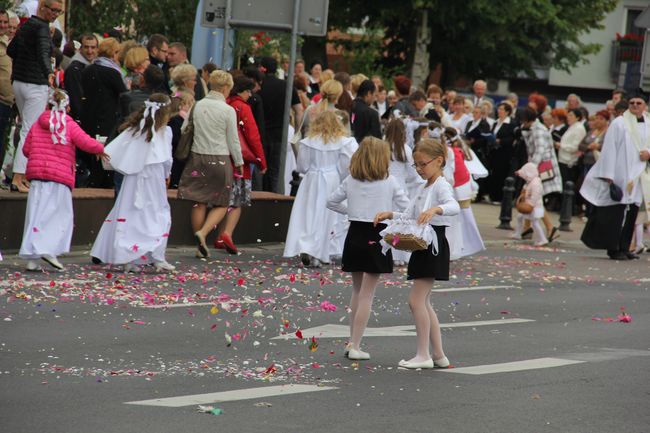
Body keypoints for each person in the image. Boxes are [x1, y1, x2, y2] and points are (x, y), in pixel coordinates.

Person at [374, 138, 458, 369]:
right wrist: (390, 214)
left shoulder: (440, 184)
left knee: (416, 300)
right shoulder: (425, 186)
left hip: (432, 245)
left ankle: (423, 354)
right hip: (425, 245)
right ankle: (438, 354)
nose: (419, 169)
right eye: (416, 165)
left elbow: (454, 206)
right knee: (424, 302)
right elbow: (410, 215)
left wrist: (436, 209)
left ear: (439, 161)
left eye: (423, 164)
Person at [327, 137, 409, 360]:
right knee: (367, 294)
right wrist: (393, 215)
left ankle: (351, 341)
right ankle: (355, 344)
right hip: (378, 235)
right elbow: (408, 209)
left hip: (354, 233)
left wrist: (352, 211)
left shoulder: (351, 180)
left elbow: (331, 202)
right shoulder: (389, 181)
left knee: (356, 290)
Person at [20, 89, 106, 271]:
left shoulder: (37, 123)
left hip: (37, 179)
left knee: (36, 216)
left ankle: (32, 258)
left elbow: (26, 149)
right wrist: (101, 148)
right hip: (59, 178)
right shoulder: (69, 124)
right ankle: (48, 249)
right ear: (67, 107)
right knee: (57, 215)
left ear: (48, 105)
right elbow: (85, 141)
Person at [91, 93, 175, 272]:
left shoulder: (135, 129)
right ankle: (155, 257)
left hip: (134, 177)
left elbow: (118, 150)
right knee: (157, 214)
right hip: (153, 179)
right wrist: (167, 175)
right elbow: (167, 159)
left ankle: (129, 257)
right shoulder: (164, 132)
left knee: (131, 213)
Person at [177, 70, 243, 258]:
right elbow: (233, 140)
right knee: (222, 202)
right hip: (220, 159)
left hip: (197, 157)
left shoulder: (197, 105)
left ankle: (200, 246)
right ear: (224, 88)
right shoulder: (228, 110)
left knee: (199, 202)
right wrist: (238, 162)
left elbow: (184, 129)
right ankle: (204, 232)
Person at [580, 92, 650, 260]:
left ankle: (625, 247)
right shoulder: (619, 123)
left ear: (645, 105)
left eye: (638, 103)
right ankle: (614, 248)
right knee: (617, 213)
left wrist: (648, 153)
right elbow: (609, 149)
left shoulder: (649, 123)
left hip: (639, 174)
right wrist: (609, 175)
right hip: (621, 173)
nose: (634, 105)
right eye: (632, 102)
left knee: (632, 212)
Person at [283, 111, 357, 267]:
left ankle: (307, 247)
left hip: (311, 181)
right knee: (328, 217)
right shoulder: (344, 142)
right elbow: (346, 167)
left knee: (309, 216)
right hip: (332, 180)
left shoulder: (308, 142)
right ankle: (322, 252)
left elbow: (302, 167)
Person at [6, 0, 60, 192]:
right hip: (35, 85)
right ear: (42, 8)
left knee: (25, 128)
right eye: (53, 10)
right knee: (29, 130)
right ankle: (18, 177)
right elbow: (45, 53)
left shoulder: (27, 24)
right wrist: (49, 73)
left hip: (18, 82)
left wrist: (26, 58)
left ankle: (20, 175)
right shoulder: (43, 28)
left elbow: (10, 50)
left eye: (58, 11)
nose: (55, 14)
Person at [216, 76, 268, 254]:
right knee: (237, 202)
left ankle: (217, 235)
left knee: (224, 199)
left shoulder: (225, 104)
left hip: (221, 157)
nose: (249, 96)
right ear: (243, 91)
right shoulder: (243, 108)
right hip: (239, 162)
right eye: (249, 92)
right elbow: (253, 136)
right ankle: (227, 234)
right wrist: (261, 160)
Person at [79, 37, 128, 188]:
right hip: (106, 119)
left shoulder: (88, 69)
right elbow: (124, 94)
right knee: (104, 155)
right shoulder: (112, 73)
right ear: (114, 53)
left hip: (89, 118)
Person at [258, 56, 302, 193]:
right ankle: (273, 200)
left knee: (260, 170)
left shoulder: (259, 86)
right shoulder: (287, 86)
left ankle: (259, 198)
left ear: (262, 68)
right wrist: (297, 131)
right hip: (280, 134)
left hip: (260, 133)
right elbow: (299, 110)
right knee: (275, 170)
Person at [384, 119, 424, 266]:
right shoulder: (405, 149)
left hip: (385, 185)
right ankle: (399, 254)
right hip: (400, 186)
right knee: (400, 220)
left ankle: (386, 250)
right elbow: (412, 174)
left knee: (387, 218)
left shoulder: (383, 147)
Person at [520, 107, 561, 241]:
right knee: (533, 198)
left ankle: (548, 228)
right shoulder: (534, 128)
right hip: (539, 169)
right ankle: (528, 228)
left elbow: (539, 151)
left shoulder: (538, 130)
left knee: (534, 198)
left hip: (540, 169)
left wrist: (530, 169)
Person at [444, 127, 485, 257]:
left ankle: (463, 247)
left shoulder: (452, 153)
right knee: (463, 220)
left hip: (459, 190)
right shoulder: (458, 151)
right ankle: (462, 246)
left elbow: (451, 175)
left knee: (461, 221)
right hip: (463, 188)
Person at [511, 162, 548, 246]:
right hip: (532, 206)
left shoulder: (535, 183)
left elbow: (535, 196)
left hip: (534, 207)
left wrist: (530, 204)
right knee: (520, 217)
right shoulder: (531, 182)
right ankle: (518, 233)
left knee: (535, 223)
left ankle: (543, 239)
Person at [64, 34, 98, 123]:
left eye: (93, 47)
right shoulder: (74, 69)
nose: (90, 51)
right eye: (86, 47)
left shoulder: (94, 66)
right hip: (79, 120)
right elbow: (76, 97)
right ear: (80, 48)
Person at [556, 108, 586, 206]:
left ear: (577, 117)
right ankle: (562, 205)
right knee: (563, 184)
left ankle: (570, 207)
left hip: (569, 161)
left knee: (568, 185)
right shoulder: (571, 127)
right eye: (568, 115)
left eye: (571, 115)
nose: (568, 117)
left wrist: (561, 146)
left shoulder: (579, 128)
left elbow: (575, 147)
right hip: (563, 159)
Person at [489, 102, 515, 202]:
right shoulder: (496, 122)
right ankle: (493, 196)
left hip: (504, 153)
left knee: (501, 174)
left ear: (507, 112)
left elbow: (512, 138)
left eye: (501, 109)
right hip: (494, 152)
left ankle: (499, 197)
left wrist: (501, 141)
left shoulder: (511, 123)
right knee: (494, 174)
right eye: (498, 109)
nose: (499, 111)